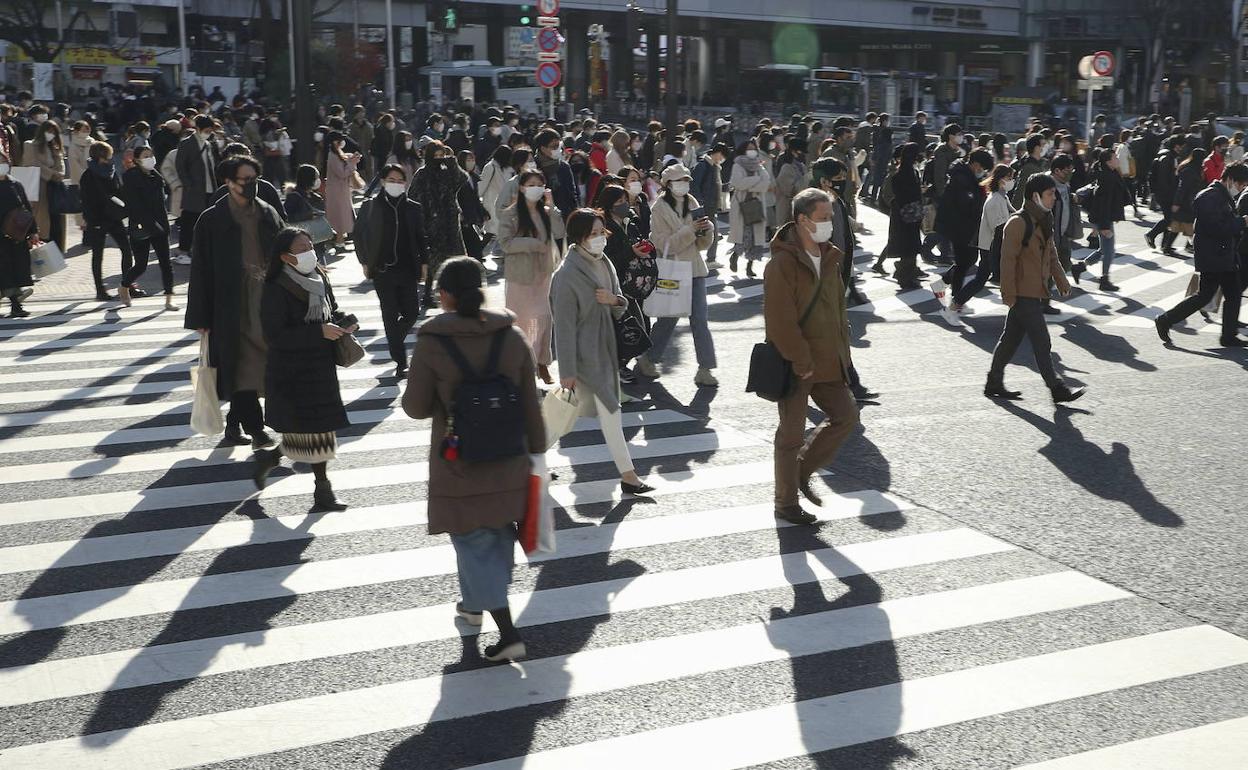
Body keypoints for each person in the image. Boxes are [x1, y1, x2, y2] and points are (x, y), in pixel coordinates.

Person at [402, 256, 545, 662]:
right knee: (495, 533)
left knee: (472, 537)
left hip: (459, 458)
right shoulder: (510, 335)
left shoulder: (433, 341)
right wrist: (536, 451)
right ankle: (472, 605)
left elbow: (415, 407)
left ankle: (508, 633)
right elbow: (531, 403)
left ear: (443, 295)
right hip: (510, 454)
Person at [764, 188, 860, 525]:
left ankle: (800, 472)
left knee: (846, 415)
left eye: (831, 217)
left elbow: (837, 308)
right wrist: (800, 360)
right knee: (790, 435)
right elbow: (779, 320)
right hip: (796, 363)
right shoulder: (782, 263)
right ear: (802, 219)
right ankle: (785, 502)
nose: (829, 224)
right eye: (823, 218)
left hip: (829, 357)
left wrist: (844, 355)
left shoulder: (830, 256)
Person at [552, 209, 655, 495]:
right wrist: (567, 371)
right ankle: (629, 476)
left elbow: (620, 301)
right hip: (585, 356)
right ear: (579, 237)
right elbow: (562, 327)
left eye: (602, 233)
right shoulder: (566, 274)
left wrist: (614, 299)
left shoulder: (604, 261)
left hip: (607, 348)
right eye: (593, 234)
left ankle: (529, 458)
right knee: (608, 411)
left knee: (565, 416)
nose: (600, 239)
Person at [184, 155, 285, 449]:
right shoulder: (211, 220)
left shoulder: (267, 213)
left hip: (266, 299)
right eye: (244, 180)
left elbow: (284, 250)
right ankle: (256, 429)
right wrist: (200, 318)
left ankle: (234, 425)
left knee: (259, 365)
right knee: (241, 365)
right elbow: (200, 270)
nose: (251, 185)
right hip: (229, 304)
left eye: (254, 178)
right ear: (227, 181)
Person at [252, 228, 354, 511]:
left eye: (310, 245)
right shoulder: (275, 287)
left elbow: (332, 310)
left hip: (320, 366)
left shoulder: (319, 278)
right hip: (291, 371)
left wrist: (345, 322)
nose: (310, 251)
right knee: (314, 431)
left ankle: (271, 460)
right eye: (302, 248)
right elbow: (275, 336)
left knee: (315, 430)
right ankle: (323, 493)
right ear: (285, 256)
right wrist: (318, 332)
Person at [984, 174, 1084, 404]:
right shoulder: (1018, 223)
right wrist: (1008, 293)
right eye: (1049, 194)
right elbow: (1007, 261)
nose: (1053, 199)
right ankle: (1056, 388)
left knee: (1010, 339)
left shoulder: (1043, 219)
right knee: (1042, 340)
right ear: (1035, 196)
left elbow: (1051, 253)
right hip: (1022, 292)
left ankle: (993, 381)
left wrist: (1061, 280)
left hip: (1034, 290)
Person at [638, 163, 718, 385]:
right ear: (668, 184)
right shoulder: (658, 209)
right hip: (673, 270)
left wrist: (706, 230)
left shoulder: (692, 203)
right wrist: (690, 230)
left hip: (694, 269)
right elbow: (663, 244)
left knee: (700, 320)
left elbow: (701, 245)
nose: (684, 184)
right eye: (679, 180)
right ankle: (649, 357)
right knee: (668, 319)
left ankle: (705, 368)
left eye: (686, 180)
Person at [1155, 163, 1248, 348]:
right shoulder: (1209, 197)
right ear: (1230, 180)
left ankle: (1228, 336)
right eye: (1240, 185)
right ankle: (1165, 319)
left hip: (1223, 254)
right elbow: (1216, 228)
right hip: (1213, 254)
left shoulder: (1221, 195)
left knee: (1233, 293)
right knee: (1204, 295)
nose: (1241, 189)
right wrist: (1241, 222)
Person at [359, 164, 429, 377]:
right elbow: (359, 236)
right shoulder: (370, 206)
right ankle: (400, 361)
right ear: (382, 181)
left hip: (408, 268)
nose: (396, 184)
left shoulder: (413, 208)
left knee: (412, 313)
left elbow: (421, 237)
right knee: (389, 314)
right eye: (392, 180)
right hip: (383, 270)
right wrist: (364, 261)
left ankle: (394, 337)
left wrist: (425, 263)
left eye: (400, 181)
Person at [498, 170, 565, 384]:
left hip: (543, 273)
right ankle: (520, 364)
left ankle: (542, 362)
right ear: (522, 187)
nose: (535, 188)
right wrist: (532, 244)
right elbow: (505, 243)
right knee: (521, 321)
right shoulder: (510, 214)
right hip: (520, 276)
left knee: (544, 318)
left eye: (539, 184)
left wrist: (552, 207)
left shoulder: (547, 212)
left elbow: (560, 231)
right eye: (531, 184)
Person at [935, 148, 992, 324]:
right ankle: (956, 300)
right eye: (982, 168)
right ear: (975, 164)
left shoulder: (967, 175)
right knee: (964, 262)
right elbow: (966, 204)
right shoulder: (961, 178)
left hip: (963, 226)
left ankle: (944, 286)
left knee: (967, 260)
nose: (983, 172)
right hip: (958, 226)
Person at [949, 163, 1015, 312]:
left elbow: (1013, 212)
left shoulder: (1002, 197)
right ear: (1000, 179)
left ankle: (956, 302)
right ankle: (955, 303)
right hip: (991, 246)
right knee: (981, 279)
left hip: (994, 245)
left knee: (983, 278)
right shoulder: (994, 200)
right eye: (1009, 178)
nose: (1012, 181)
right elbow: (998, 228)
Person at [119, 145, 176, 309]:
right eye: (146, 156)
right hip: (141, 226)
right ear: (137, 160)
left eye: (151, 155)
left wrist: (164, 226)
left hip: (160, 225)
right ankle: (124, 286)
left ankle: (169, 299)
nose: (150, 158)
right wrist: (151, 225)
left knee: (166, 263)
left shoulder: (156, 176)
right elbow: (134, 205)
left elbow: (161, 205)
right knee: (141, 265)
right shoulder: (130, 177)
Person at [411, 140, 469, 303]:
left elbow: (462, 180)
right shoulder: (422, 173)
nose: (439, 158)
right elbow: (412, 195)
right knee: (433, 259)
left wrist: (452, 162)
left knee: (456, 257)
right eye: (436, 155)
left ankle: (459, 292)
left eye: (441, 155)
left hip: (450, 221)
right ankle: (428, 293)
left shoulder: (448, 172)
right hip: (431, 222)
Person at [79, 141, 135, 302]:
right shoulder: (88, 176)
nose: (111, 157)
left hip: (113, 218)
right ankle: (100, 290)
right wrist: (91, 221)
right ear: (102, 156)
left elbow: (119, 191)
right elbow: (86, 201)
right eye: (108, 154)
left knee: (126, 248)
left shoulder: (111, 171)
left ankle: (127, 284)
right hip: (98, 220)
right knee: (98, 255)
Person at [1071, 147, 1130, 291]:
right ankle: (1104, 280)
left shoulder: (1110, 173)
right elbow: (1103, 203)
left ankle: (1080, 267)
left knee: (1104, 249)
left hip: (1105, 217)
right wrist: (1104, 227)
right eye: (1115, 157)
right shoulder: (1107, 178)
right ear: (1108, 162)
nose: (1117, 159)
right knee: (1109, 251)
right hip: (1104, 218)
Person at [728, 138, 772, 277]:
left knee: (755, 237)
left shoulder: (759, 165)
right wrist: (756, 180)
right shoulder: (738, 165)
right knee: (742, 235)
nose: (752, 151)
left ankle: (749, 266)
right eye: (749, 149)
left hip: (757, 204)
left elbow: (766, 183)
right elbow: (737, 183)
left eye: (754, 148)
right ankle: (735, 255)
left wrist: (751, 183)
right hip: (742, 205)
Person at [0, 152, 36, 317]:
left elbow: (26, 209)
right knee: (5, 269)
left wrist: (33, 231)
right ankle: (15, 302)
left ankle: (15, 304)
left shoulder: (15, 184)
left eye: (3, 161)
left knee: (15, 268)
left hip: (17, 235)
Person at [884, 142, 924, 290]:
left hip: (908, 212)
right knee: (909, 246)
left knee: (910, 246)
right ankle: (904, 275)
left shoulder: (908, 171)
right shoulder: (902, 173)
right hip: (906, 213)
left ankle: (907, 273)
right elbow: (902, 194)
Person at [23, 117, 66, 251]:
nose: (51, 134)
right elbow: (32, 163)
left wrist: (59, 173)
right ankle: (42, 244)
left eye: (54, 132)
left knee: (56, 217)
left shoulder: (55, 146)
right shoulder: (31, 145)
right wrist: (51, 173)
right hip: (39, 184)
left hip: (54, 184)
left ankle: (57, 247)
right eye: (48, 131)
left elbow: (61, 163)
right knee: (42, 217)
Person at [1146, 136, 1184, 255]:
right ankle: (1151, 235)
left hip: (1163, 192)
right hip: (1166, 193)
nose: (1182, 148)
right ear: (1176, 146)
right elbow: (1165, 179)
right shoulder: (1168, 158)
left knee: (1170, 218)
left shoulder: (1168, 156)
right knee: (1170, 218)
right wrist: (1172, 193)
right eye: (1181, 145)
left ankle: (1165, 244)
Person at [534, 128, 580, 216]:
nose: (558, 149)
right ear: (543, 148)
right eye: (554, 147)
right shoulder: (534, 166)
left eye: (559, 146)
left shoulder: (564, 166)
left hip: (563, 215)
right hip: (541, 215)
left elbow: (572, 193)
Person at [1168, 147, 1206, 253]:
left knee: (1180, 225)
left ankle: (1170, 246)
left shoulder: (1192, 168)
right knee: (1184, 224)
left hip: (1188, 201)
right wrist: (1177, 203)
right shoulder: (1190, 170)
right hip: (1186, 202)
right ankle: (1171, 246)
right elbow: (1182, 188)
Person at [478, 144, 512, 250]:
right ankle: (478, 250)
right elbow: (482, 185)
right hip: (491, 202)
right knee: (492, 229)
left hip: (503, 202)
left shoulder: (507, 168)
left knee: (498, 229)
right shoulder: (490, 167)